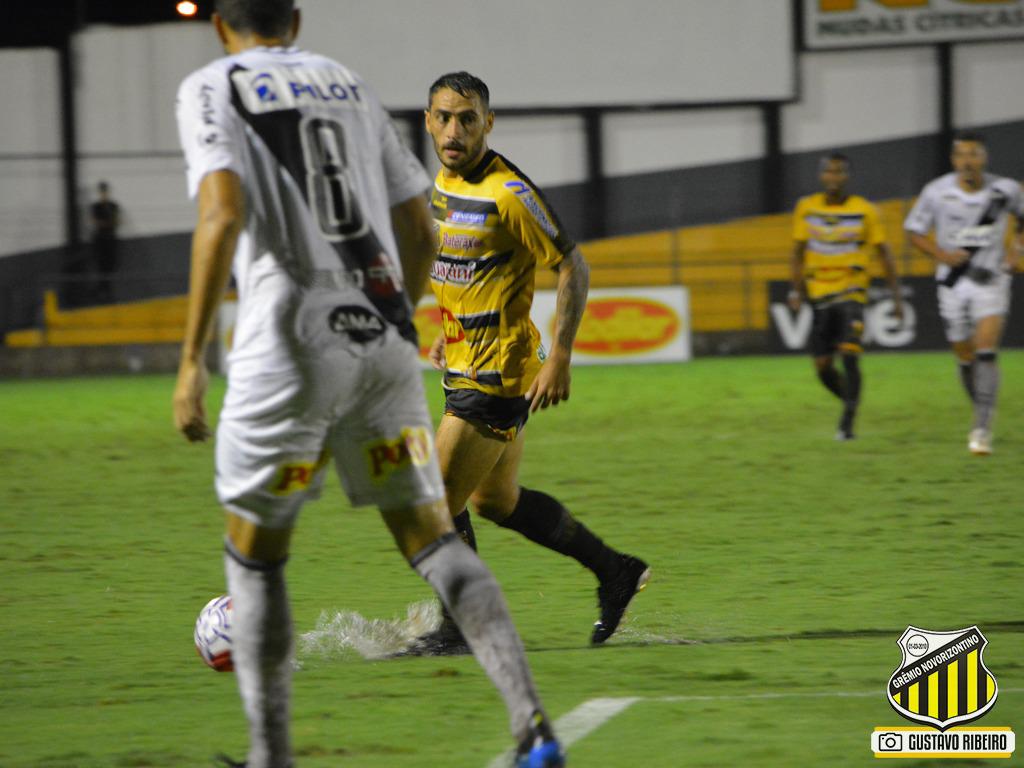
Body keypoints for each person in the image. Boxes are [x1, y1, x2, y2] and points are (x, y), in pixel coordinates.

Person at [172, 4, 563, 767]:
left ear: (222, 26)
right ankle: (536, 732)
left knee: (257, 558)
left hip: (284, 344)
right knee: (434, 539)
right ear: (294, 17)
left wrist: (191, 359)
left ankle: (270, 756)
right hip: (380, 334)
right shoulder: (347, 85)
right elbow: (418, 230)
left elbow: (219, 217)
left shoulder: (212, 86)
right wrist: (389, 321)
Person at [405, 71, 650, 657]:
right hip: (467, 361)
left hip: (496, 376)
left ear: (489, 122)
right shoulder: (442, 180)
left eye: (468, 118)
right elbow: (466, 269)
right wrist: (448, 330)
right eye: (443, 117)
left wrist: (561, 354)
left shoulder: (509, 193)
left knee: (432, 505)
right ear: (427, 121)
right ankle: (615, 571)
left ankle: (461, 626)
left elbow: (572, 264)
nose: (454, 129)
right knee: (496, 501)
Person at [904, 132, 1023, 455]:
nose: (968, 161)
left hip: (991, 280)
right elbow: (913, 231)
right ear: (954, 160)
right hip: (952, 283)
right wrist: (942, 255)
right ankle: (981, 407)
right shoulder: (937, 192)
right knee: (964, 354)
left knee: (986, 351)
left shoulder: (1006, 189)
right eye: (962, 155)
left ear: (984, 158)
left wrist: (1016, 250)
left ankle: (982, 429)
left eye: (974, 154)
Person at [789, 152, 903, 440]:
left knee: (850, 357)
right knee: (823, 367)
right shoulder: (806, 208)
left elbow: (885, 255)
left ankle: (846, 425)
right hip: (819, 296)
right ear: (821, 175)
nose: (833, 177)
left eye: (839, 172)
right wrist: (796, 290)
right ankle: (851, 401)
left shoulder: (865, 210)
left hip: (852, 292)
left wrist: (897, 298)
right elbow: (797, 253)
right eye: (829, 171)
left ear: (847, 176)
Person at [89, 180, 120, 301]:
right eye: (102, 192)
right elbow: (95, 222)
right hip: (101, 240)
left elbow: (116, 222)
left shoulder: (113, 206)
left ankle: (106, 290)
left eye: (105, 191)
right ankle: (104, 291)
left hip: (110, 240)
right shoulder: (96, 207)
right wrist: (108, 223)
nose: (103, 194)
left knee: (110, 266)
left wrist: (105, 223)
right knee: (101, 266)